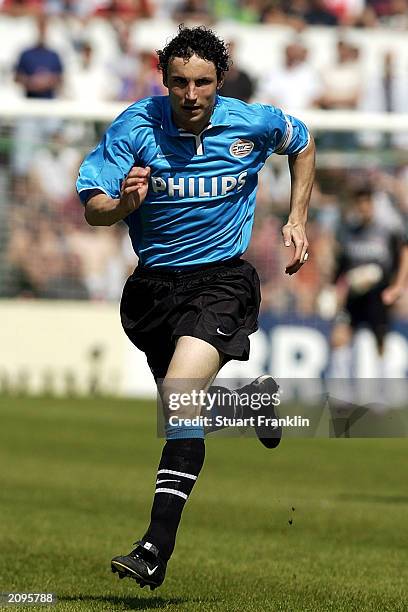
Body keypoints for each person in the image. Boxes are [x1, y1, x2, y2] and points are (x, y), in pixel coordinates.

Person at [76, 25, 315, 590]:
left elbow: (302, 142)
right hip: (154, 291)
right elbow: (94, 206)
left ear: (219, 82)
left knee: (181, 400)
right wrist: (122, 205)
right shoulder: (136, 125)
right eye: (179, 81)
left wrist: (297, 217)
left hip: (222, 283)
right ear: (164, 80)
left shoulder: (252, 122)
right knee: (184, 412)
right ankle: (249, 404)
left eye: (203, 82)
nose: (191, 94)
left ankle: (154, 548)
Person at [329, 186, 408, 380]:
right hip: (353, 297)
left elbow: (404, 254)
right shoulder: (349, 231)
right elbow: (341, 265)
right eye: (360, 204)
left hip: (378, 296)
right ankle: (340, 396)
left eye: (367, 204)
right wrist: (334, 290)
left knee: (379, 342)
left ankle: (381, 395)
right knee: (339, 339)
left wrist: (398, 286)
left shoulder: (386, 231)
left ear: (372, 205)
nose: (364, 208)